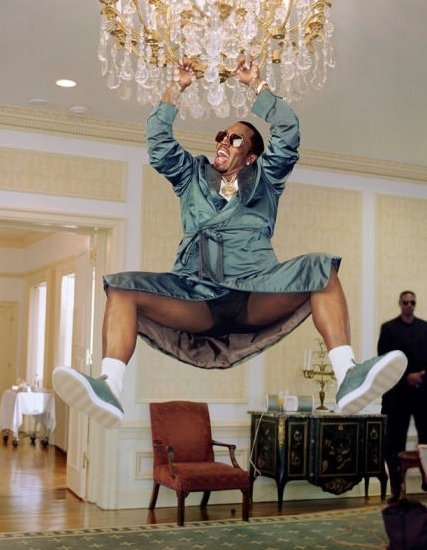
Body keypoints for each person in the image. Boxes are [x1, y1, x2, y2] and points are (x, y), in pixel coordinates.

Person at [53, 58, 407, 429]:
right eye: (222, 135)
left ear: (251, 157)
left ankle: (348, 374)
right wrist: (176, 88)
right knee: (122, 288)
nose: (224, 140)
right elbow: (158, 144)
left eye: (235, 138)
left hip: (255, 291)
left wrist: (257, 85)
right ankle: (110, 386)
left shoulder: (266, 179)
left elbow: (288, 130)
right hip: (197, 293)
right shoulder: (191, 174)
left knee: (321, 268)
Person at [378, 290, 427, 502]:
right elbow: (385, 361)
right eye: (405, 302)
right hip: (397, 395)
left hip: (423, 393)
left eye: (412, 302)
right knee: (394, 444)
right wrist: (407, 377)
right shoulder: (389, 329)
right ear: (400, 303)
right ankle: (397, 490)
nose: (409, 305)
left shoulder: (425, 328)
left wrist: (421, 376)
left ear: (415, 304)